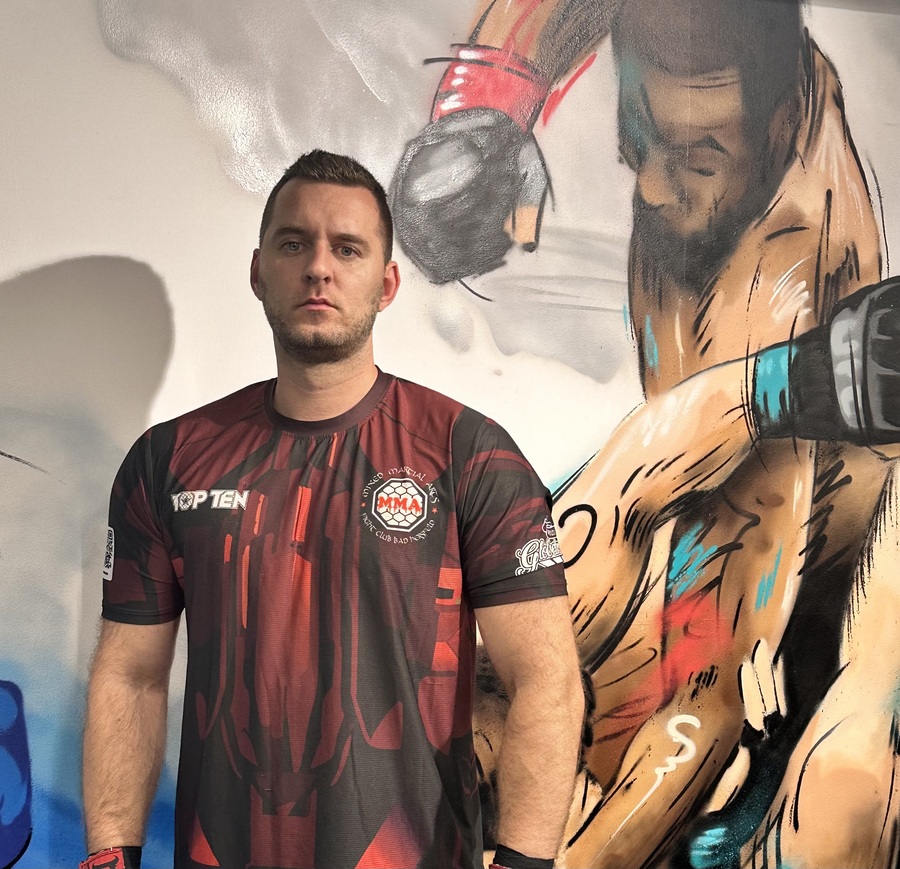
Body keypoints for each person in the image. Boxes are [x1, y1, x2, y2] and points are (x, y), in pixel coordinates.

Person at [391, 1, 890, 865]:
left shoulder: (774, 283)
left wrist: (487, 97)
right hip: (712, 646)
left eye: (694, 157)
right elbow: (644, 477)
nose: (651, 187)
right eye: (638, 144)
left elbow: (703, 701)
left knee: (834, 793)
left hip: (784, 592)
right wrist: (489, 103)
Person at [80, 150, 586, 869]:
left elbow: (545, 678)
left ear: (387, 284)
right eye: (294, 244)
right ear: (258, 272)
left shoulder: (469, 454)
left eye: (347, 248)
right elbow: (130, 676)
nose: (319, 267)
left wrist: (524, 864)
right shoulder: (168, 461)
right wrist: (109, 857)